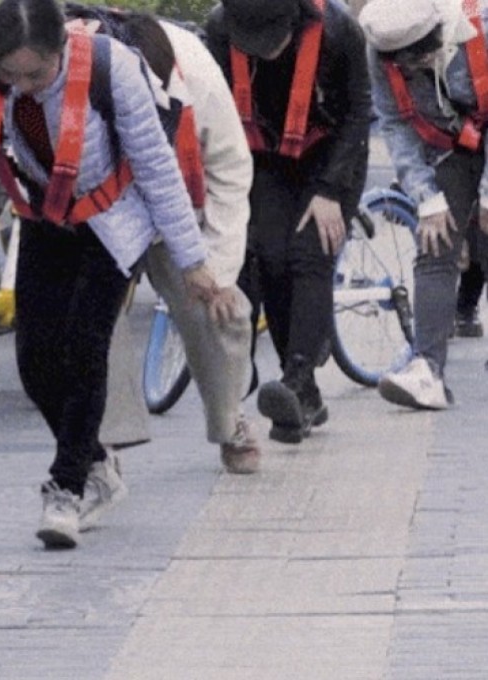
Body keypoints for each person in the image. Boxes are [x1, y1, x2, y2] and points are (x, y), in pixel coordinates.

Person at [0, 0, 218, 550]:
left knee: (84, 346)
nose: (20, 86)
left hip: (114, 221)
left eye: (35, 74)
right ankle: (94, 461)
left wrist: (195, 261)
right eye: (9, 75)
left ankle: (66, 488)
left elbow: (157, 169)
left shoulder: (111, 67)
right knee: (35, 362)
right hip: (44, 214)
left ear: (62, 51)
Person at [78, 8, 258, 499]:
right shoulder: (78, 72)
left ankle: (229, 420)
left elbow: (230, 169)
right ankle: (104, 444)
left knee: (217, 309)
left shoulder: (196, 71)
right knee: (96, 319)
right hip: (102, 205)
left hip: (180, 196)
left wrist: (216, 270)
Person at [205, 0, 372, 443]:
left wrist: (332, 190)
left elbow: (359, 114)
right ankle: (304, 397)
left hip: (330, 155)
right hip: (266, 157)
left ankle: (298, 378)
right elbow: (213, 111)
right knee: (270, 256)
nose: (265, 52)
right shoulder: (221, 29)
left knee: (310, 251)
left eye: (272, 41)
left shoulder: (338, 31)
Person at [359, 0, 488, 409]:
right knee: (435, 241)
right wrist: (426, 197)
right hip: (449, 145)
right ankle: (426, 369)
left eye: (419, 59)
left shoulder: (480, 27)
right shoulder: (382, 43)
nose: (411, 70)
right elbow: (394, 121)